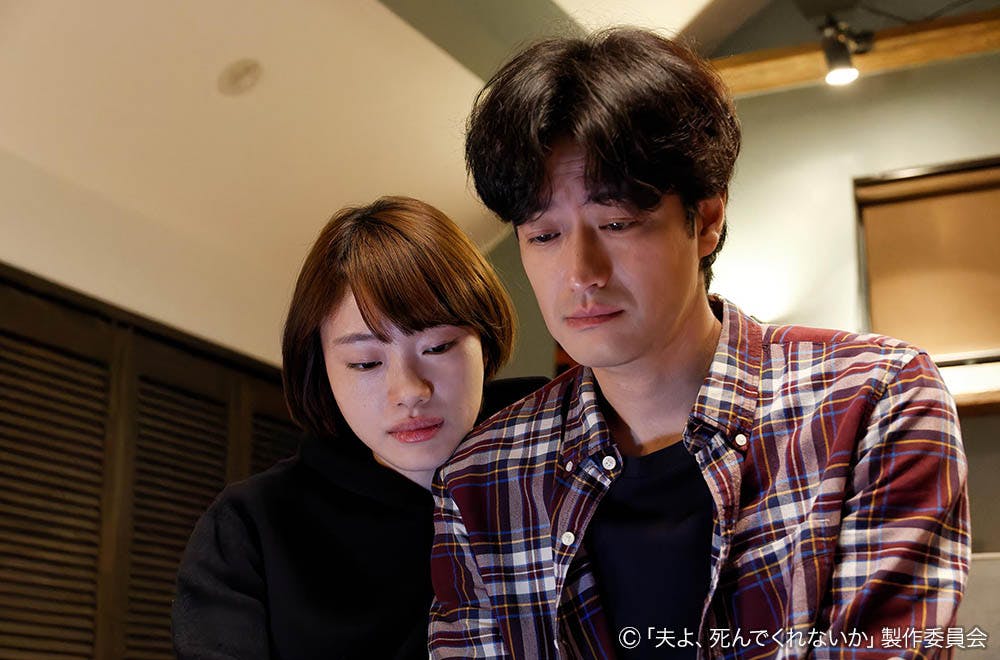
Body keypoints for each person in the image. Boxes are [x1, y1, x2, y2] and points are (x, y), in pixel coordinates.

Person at [429, 28, 970, 659]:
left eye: (617, 223)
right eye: (543, 236)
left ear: (706, 219)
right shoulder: (484, 476)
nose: (580, 273)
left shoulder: (874, 400)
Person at [172, 196, 546, 659]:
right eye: (366, 362)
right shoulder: (252, 526)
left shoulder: (559, 467)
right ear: (322, 368)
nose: (409, 391)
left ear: (484, 345)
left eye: (437, 347)